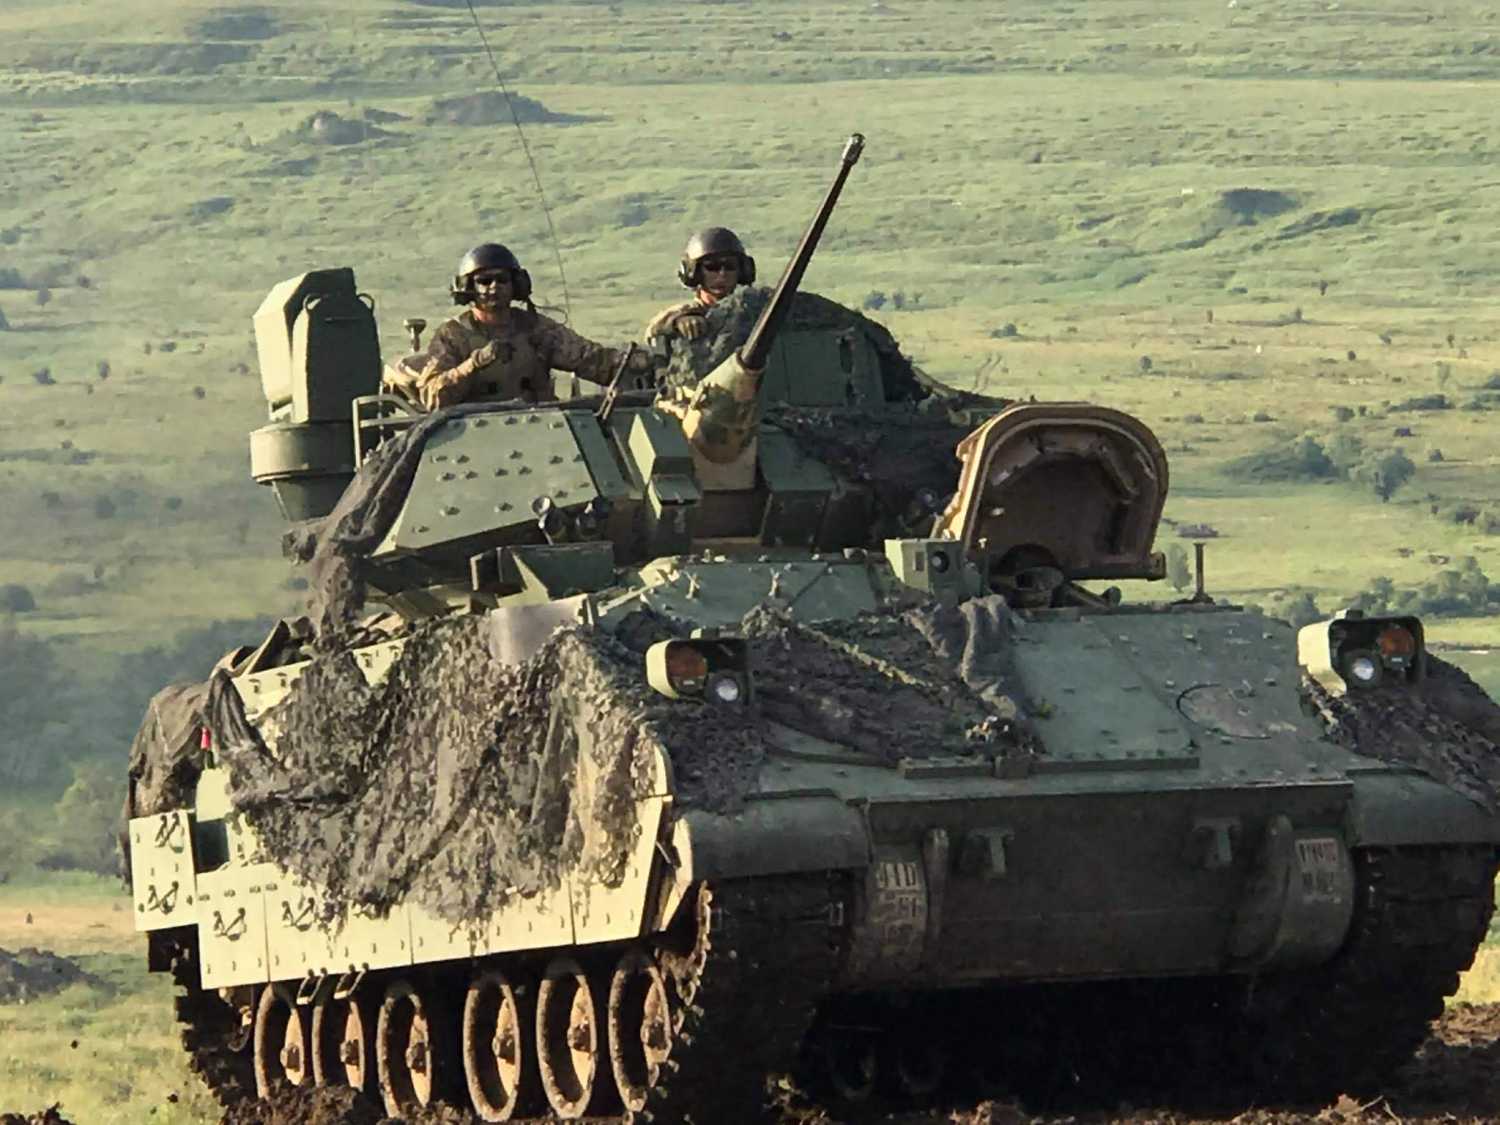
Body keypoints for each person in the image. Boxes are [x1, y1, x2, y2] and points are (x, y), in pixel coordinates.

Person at [414, 243, 637, 411]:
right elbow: (432, 397)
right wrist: (473, 364)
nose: (494, 287)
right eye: (484, 281)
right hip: (472, 432)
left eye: (502, 280)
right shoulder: (453, 336)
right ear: (468, 287)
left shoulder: (536, 329)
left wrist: (635, 363)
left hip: (539, 423)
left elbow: (592, 360)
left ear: (516, 285)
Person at [642, 227, 756, 342]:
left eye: (730, 266)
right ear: (695, 273)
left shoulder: (752, 311)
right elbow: (653, 332)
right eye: (712, 267)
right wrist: (678, 321)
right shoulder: (685, 313)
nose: (722, 274)